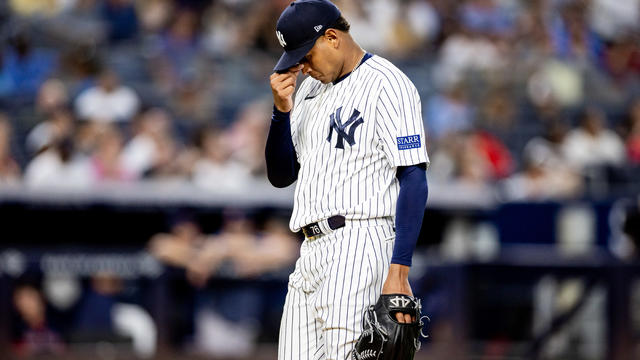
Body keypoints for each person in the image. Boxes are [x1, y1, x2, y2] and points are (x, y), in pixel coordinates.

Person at [265, 1, 429, 359]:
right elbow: (280, 176)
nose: (302, 67)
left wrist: (399, 270)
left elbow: (414, 177)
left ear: (333, 37)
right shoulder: (307, 92)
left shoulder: (387, 84)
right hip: (309, 250)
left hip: (359, 240)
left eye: (306, 56)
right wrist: (281, 112)